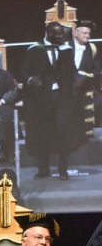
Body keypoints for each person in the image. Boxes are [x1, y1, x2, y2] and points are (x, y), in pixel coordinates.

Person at [23, 21, 85, 180]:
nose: (60, 36)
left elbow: (72, 70)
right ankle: (43, 170)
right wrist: (30, 80)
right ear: (48, 33)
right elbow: (24, 72)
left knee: (63, 133)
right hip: (42, 99)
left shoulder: (66, 50)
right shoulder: (35, 49)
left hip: (62, 98)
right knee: (42, 133)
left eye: (61, 34)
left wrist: (78, 78)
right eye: (56, 34)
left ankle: (63, 170)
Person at [70, 20, 102, 136]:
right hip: (68, 83)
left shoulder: (92, 48)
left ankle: (87, 129)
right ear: (76, 33)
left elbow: (97, 71)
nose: (87, 36)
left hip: (85, 84)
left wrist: (85, 76)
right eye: (85, 33)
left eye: (89, 33)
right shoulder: (66, 47)